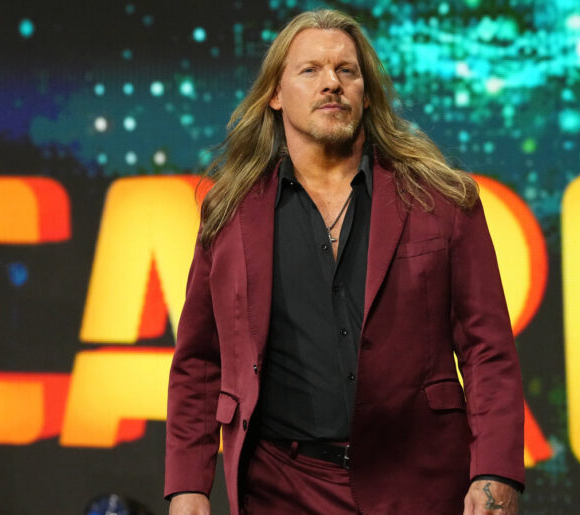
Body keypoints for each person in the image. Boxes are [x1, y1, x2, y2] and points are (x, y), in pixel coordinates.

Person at [165, 9, 523, 515]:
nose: (331, 83)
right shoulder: (230, 212)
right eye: (310, 70)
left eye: (346, 71)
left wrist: (495, 472)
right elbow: (199, 361)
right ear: (275, 94)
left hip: (417, 481)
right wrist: (188, 486)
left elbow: (488, 350)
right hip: (279, 487)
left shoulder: (442, 200)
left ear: (367, 93)